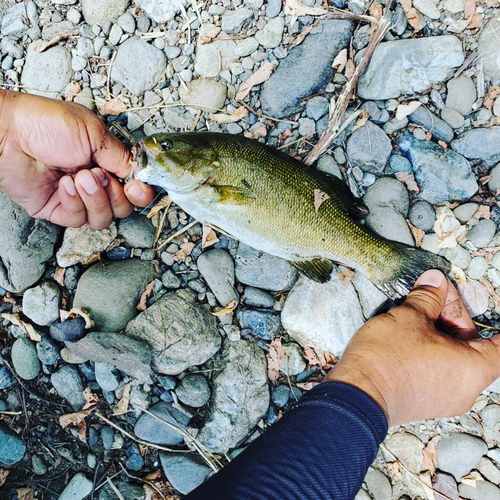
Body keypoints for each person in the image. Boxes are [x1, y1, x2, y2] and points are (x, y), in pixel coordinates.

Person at [1, 89, 500, 499]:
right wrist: (378, 386)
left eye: (169, 146)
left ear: (205, 162)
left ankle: (377, 257)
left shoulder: (200, 181)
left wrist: (10, 131)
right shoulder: (201, 182)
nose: (156, 148)